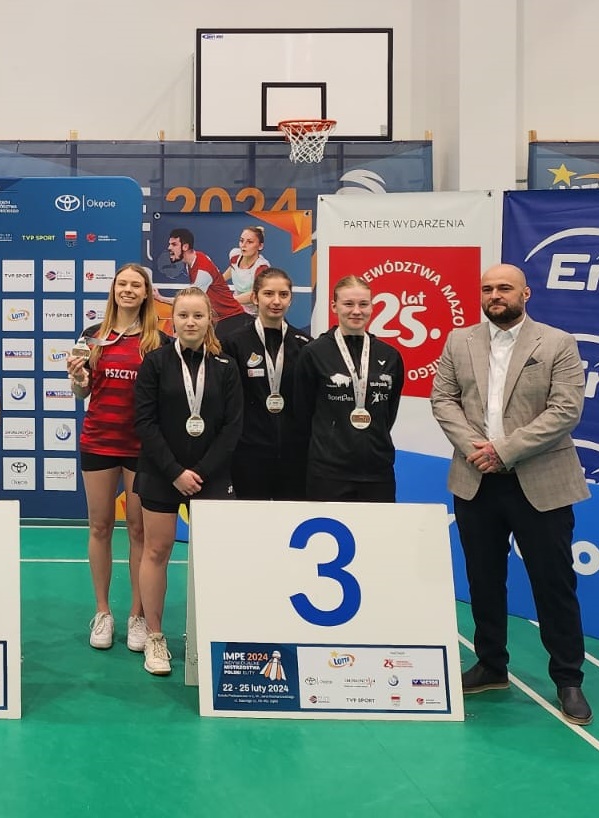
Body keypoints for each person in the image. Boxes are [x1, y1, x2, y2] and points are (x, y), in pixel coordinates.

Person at [431, 263, 591, 725]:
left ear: (526, 293)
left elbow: (565, 410)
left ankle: (568, 679)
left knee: (553, 584)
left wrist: (503, 450)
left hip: (540, 481)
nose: (495, 295)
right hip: (475, 480)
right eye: (487, 289)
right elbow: (443, 400)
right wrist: (476, 450)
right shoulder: (459, 341)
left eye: (504, 288)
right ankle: (491, 664)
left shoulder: (557, 343)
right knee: (483, 579)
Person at [132, 286, 242, 675]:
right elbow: (144, 422)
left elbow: (232, 427)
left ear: (211, 319)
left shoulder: (226, 367)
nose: (190, 322)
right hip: (162, 472)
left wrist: (202, 472)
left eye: (198, 315)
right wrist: (175, 472)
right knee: (156, 551)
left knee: (213, 556)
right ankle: (155, 637)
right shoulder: (155, 363)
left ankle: (207, 635)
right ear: (172, 320)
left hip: (211, 476)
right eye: (183, 315)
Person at [66, 263, 165, 652]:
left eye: (136, 285)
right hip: (99, 441)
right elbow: (82, 392)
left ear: (146, 293)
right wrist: (78, 380)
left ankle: (137, 615)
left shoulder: (158, 339)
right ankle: (103, 612)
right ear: (113, 290)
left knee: (139, 531)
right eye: (122, 283)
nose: (128, 290)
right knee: (100, 527)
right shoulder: (93, 336)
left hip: (143, 447)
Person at [293, 276, 405, 502]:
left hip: (378, 472)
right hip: (328, 473)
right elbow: (303, 414)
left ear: (372, 307)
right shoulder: (314, 353)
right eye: (348, 304)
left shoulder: (389, 356)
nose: (356, 311)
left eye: (363, 304)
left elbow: (387, 413)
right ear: (334, 306)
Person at [220, 268, 312, 500]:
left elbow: (309, 402)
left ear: (291, 299)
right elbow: (226, 402)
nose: (276, 301)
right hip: (248, 455)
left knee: (290, 519)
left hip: (294, 457)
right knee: (251, 520)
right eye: (269, 293)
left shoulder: (305, 345)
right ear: (254, 297)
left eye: (283, 294)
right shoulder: (233, 343)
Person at [158, 227, 246, 322]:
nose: (169, 248)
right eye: (170, 244)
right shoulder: (195, 258)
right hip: (219, 318)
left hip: (231, 318)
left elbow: (188, 301)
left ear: (185, 247)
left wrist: (160, 298)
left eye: (174, 244)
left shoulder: (202, 271)